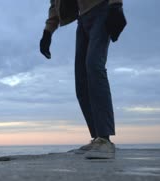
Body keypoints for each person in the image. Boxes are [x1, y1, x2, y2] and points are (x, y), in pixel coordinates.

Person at [40, 0, 126, 159]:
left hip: (102, 8)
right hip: (83, 19)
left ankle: (105, 140)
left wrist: (116, 5)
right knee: (81, 80)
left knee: (94, 66)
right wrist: (48, 32)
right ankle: (97, 139)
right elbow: (54, 4)